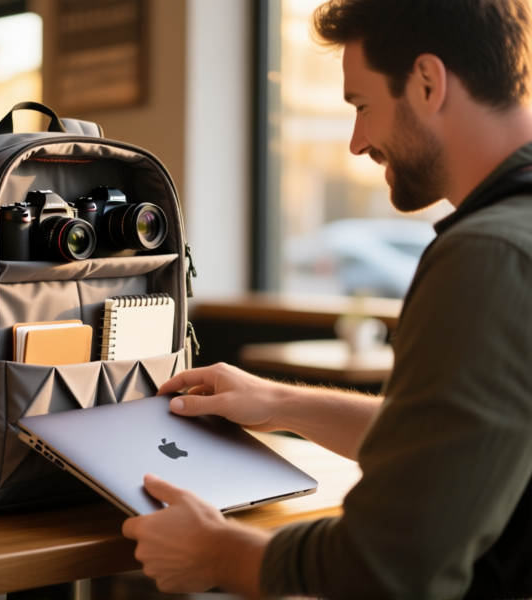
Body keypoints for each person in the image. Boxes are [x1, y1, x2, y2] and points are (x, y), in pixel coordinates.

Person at [122, 1, 532, 598]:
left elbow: (390, 565)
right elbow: (454, 447)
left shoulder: (490, 257)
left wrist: (218, 553)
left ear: (426, 82)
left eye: (362, 106)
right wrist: (278, 403)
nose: (357, 142)